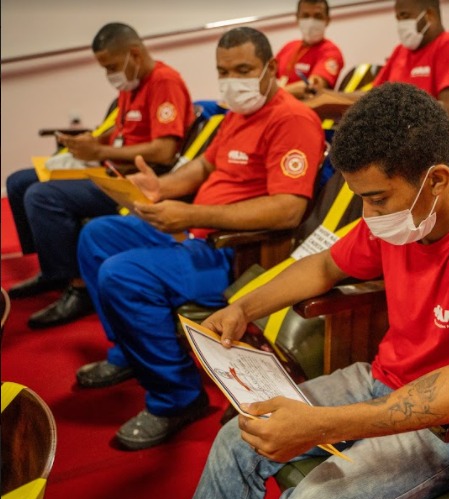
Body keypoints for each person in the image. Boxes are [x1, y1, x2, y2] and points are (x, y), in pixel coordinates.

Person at [184, 82, 449, 499]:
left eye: (377, 199)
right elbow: (325, 266)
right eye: (361, 199)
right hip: (381, 378)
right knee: (236, 439)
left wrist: (321, 425)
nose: (368, 216)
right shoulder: (405, 215)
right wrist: (243, 308)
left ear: (436, 180)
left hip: (446, 425)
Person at [73, 27, 325, 450]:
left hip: (234, 252)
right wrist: (161, 188)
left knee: (122, 274)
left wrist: (191, 214)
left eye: (243, 69)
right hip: (195, 230)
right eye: (223, 71)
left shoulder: (293, 119)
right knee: (96, 236)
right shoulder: (238, 114)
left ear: (270, 68)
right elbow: (206, 168)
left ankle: (177, 399)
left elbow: (288, 209)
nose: (232, 80)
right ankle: (129, 354)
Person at [6, 22, 194, 330]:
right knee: (18, 182)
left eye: (111, 66)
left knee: (42, 195)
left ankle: (79, 288)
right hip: (109, 166)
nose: (109, 74)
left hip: (133, 180)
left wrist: (100, 151)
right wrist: (90, 143)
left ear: (134, 54)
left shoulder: (164, 81)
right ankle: (52, 271)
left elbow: (164, 151)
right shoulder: (130, 87)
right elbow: (121, 135)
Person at [308, 0, 449, 125]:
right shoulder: (400, 51)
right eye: (398, 18)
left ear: (429, 15)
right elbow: (374, 95)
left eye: (405, 16)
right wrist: (328, 96)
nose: (401, 24)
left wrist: (392, 105)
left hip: (424, 141)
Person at [275, 0, 345, 99]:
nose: (311, 22)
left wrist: (274, 94)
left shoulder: (331, 52)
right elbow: (266, 78)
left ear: (327, 20)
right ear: (297, 18)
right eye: (305, 16)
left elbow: (313, 87)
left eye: (318, 16)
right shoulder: (288, 47)